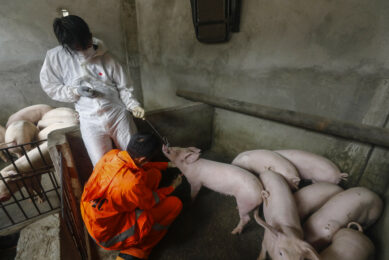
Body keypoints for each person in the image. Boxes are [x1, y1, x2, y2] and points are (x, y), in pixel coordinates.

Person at [40, 15, 145, 166]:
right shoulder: (55, 58)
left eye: (86, 44)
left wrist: (133, 105)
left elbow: (124, 86)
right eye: (78, 47)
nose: (84, 49)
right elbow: (51, 87)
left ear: (89, 35)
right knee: (101, 164)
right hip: (89, 119)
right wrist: (75, 91)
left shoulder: (105, 55)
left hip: (117, 113)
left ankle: (139, 187)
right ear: (67, 45)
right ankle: (114, 189)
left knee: (135, 157)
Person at [80, 133, 183, 260]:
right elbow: (150, 201)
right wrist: (172, 187)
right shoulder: (131, 184)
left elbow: (140, 166)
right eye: (149, 159)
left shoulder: (113, 155)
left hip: (92, 216)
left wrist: (166, 165)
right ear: (143, 159)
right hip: (107, 235)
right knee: (175, 204)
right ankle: (139, 248)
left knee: (155, 174)